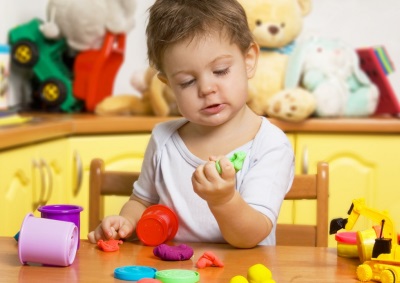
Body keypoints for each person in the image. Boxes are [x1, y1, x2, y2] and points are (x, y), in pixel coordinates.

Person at [88, 0, 294, 248]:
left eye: (220, 71)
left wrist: (224, 200)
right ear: (169, 85)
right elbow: (142, 201)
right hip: (169, 271)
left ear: (248, 60)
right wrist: (126, 222)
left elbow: (251, 236)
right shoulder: (163, 138)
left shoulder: (270, 145)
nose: (207, 88)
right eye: (187, 82)